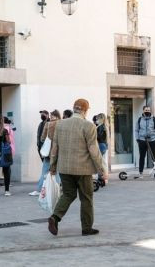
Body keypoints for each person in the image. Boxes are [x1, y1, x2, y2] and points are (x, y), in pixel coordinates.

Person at [48, 99, 108, 236]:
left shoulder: (60, 124)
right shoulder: (88, 126)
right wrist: (101, 170)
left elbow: (55, 148)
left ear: (74, 108)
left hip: (64, 168)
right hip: (83, 169)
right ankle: (86, 228)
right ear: (85, 111)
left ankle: (55, 217)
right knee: (86, 198)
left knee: (68, 194)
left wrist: (52, 166)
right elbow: (94, 150)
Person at [30, 110, 61, 196]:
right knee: (57, 172)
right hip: (59, 152)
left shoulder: (48, 124)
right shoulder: (62, 123)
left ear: (54, 116)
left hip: (49, 153)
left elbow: (42, 138)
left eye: (51, 115)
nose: (50, 117)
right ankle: (57, 190)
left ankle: (39, 190)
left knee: (44, 171)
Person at [134, 105, 155, 178]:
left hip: (152, 140)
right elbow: (136, 130)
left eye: (148, 110)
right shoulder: (139, 119)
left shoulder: (154, 119)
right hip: (142, 140)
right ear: (143, 111)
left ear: (150, 111)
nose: (147, 111)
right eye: (146, 110)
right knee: (142, 157)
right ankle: (141, 173)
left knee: (154, 157)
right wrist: (138, 139)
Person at [95, 113, 109, 184]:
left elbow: (99, 137)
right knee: (102, 162)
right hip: (103, 145)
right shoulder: (104, 126)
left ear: (101, 119)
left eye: (97, 119)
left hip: (100, 145)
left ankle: (102, 178)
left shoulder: (101, 127)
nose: (96, 120)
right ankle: (103, 178)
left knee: (101, 163)